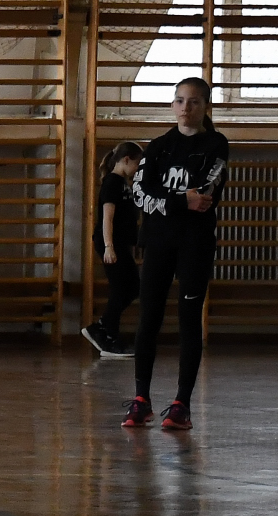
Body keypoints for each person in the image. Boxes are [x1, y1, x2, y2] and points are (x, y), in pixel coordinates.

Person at [123, 77, 228, 431]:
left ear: (205, 106)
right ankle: (141, 399)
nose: (186, 108)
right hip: (158, 243)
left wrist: (167, 200)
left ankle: (181, 404)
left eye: (194, 101)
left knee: (188, 320)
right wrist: (182, 200)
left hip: (195, 245)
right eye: (180, 101)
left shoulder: (216, 144)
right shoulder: (157, 147)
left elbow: (206, 193)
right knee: (148, 318)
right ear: (172, 105)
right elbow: (141, 194)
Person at [83, 141, 144, 360]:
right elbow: (107, 218)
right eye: (137, 164)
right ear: (126, 159)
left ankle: (102, 328)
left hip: (120, 244)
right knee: (120, 288)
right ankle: (108, 336)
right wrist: (109, 246)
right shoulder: (111, 183)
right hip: (111, 243)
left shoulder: (123, 183)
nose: (138, 169)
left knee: (132, 287)